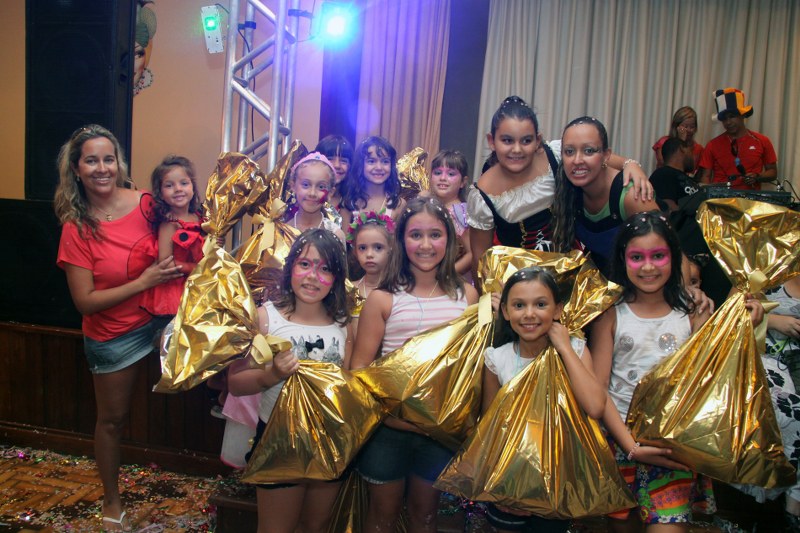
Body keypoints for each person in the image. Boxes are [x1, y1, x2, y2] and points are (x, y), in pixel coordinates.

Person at [590, 211, 763, 532]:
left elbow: (711, 373)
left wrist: (741, 325)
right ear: (623, 259)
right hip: (619, 444)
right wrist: (631, 446)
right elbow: (599, 391)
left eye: (658, 256)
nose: (648, 266)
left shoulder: (693, 312)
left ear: (674, 257)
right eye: (637, 257)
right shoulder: (610, 315)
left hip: (672, 450)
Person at [54, 125, 182, 531]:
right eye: (91, 161)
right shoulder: (76, 228)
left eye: (108, 159)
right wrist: (143, 282)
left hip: (159, 318)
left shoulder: (146, 204)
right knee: (112, 420)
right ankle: (112, 500)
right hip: (112, 333)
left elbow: (185, 225)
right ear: (77, 169)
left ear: (119, 163)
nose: (102, 168)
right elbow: (85, 301)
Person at [351, 196, 478, 532]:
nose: (425, 245)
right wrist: (391, 418)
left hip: (440, 432)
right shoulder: (383, 298)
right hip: (388, 430)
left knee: (426, 515)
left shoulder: (466, 296)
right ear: (401, 240)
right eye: (415, 235)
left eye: (435, 235)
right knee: (383, 515)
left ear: (449, 241)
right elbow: (359, 371)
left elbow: (471, 368)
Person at [227, 228, 353, 533]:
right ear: (290, 267)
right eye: (305, 264)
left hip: (328, 441)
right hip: (278, 440)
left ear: (337, 277)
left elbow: (350, 386)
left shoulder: (345, 325)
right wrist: (272, 375)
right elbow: (235, 383)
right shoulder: (265, 318)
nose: (313, 277)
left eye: (325, 269)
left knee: (316, 526)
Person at [468, 96, 653, 285]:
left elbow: (600, 158)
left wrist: (631, 164)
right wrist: (486, 297)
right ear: (492, 141)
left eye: (526, 140)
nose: (517, 149)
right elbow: (481, 260)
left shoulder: (555, 154)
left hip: (574, 275)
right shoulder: (482, 195)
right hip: (524, 286)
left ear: (538, 140)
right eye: (507, 140)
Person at [482, 267, 606, 533]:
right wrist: (501, 485)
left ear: (557, 310)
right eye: (519, 305)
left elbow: (595, 406)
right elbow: (489, 429)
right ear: (505, 311)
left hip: (557, 480)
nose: (529, 314)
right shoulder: (497, 358)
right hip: (509, 481)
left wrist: (564, 347)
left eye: (540, 304)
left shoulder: (575, 350)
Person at [551, 116, 660, 276]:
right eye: (569, 151)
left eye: (588, 151)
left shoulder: (631, 196)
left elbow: (670, 251)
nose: (577, 160)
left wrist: (630, 163)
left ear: (606, 155)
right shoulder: (569, 187)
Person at [135, 155, 205, 317]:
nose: (178, 189)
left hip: (196, 283)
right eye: (169, 185)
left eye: (184, 183)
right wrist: (195, 269)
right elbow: (165, 262)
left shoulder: (198, 217)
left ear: (193, 187)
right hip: (175, 290)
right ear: (160, 193)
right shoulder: (169, 224)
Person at [697, 88, 777, 190]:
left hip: (750, 198)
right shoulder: (712, 145)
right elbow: (705, 177)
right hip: (720, 198)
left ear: (742, 115)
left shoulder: (762, 141)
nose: (728, 122)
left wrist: (757, 177)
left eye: (732, 116)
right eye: (724, 119)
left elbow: (773, 172)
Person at [346, 210, 394, 336]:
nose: (369, 254)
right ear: (355, 252)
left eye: (378, 247)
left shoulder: (399, 290)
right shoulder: (349, 290)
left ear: (390, 248)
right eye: (362, 248)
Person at [341, 136, 407, 228]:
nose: (379, 167)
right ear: (360, 165)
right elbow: (344, 237)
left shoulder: (399, 205)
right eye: (371, 161)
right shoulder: (349, 203)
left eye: (385, 161)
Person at [429, 150, 472, 278]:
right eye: (437, 173)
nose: (443, 178)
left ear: (463, 182)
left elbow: (472, 254)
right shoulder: (428, 205)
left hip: (450, 280)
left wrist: (445, 275)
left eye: (451, 174)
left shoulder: (461, 213)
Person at [285, 152, 345, 241]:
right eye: (306, 185)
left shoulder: (336, 235)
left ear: (330, 192)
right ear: (293, 186)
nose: (312, 193)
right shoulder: (282, 230)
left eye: (321, 187)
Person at [649, 137, 699, 212]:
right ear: (682, 149)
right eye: (691, 151)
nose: (693, 157)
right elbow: (668, 208)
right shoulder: (664, 174)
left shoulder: (686, 178)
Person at [652, 106, 704, 171]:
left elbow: (690, 167)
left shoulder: (698, 148)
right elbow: (664, 162)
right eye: (685, 126)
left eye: (692, 127)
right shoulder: (664, 142)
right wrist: (681, 141)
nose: (688, 130)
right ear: (676, 126)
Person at [314, 135, 354, 212]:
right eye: (330, 159)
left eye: (343, 161)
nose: (337, 165)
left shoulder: (353, 201)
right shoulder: (308, 197)